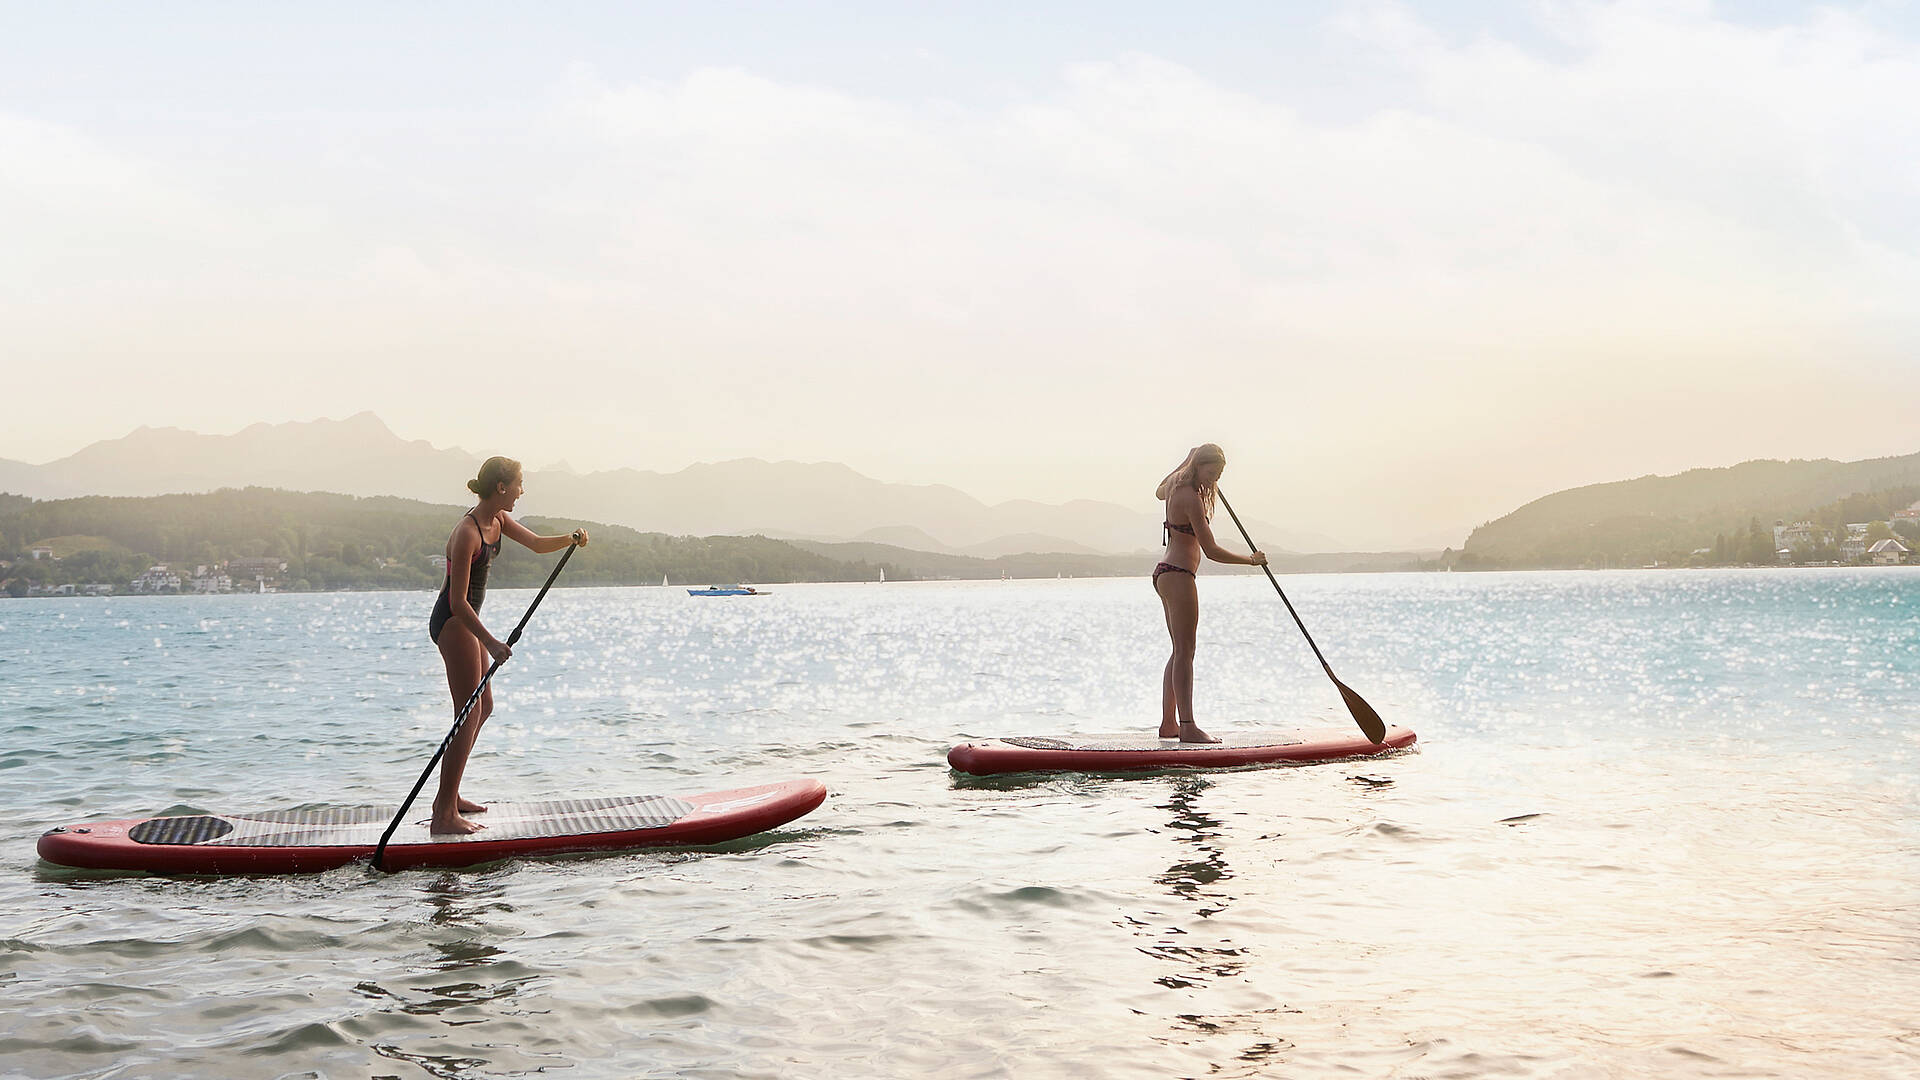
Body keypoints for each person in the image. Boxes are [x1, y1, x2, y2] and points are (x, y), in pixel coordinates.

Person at [427, 456, 588, 834]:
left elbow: (534, 543)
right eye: (519, 483)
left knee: (483, 708)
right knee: (467, 711)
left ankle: (448, 798)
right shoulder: (468, 532)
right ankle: (444, 815)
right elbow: (457, 602)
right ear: (501, 487)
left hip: (467, 624)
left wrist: (570, 539)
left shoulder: (497, 520)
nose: (522, 491)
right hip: (453, 622)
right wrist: (493, 642)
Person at [1153, 444, 1266, 743]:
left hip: (1165, 574)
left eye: (1218, 476)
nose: (1213, 480)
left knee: (1179, 651)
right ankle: (1187, 725)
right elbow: (1212, 550)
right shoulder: (1191, 497)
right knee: (1185, 652)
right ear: (1198, 466)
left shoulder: (1175, 485)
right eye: (1211, 473)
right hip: (1178, 576)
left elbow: (1158, 491)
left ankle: (1169, 724)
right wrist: (1250, 560)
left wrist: (1187, 460)